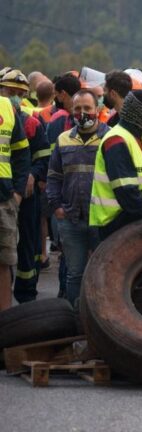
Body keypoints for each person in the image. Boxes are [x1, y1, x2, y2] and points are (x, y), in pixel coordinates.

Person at [47, 89, 108, 305]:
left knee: (105, 274)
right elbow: (53, 176)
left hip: (102, 219)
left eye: (87, 108)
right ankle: (76, 321)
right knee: (75, 275)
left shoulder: (110, 138)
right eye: (78, 109)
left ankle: (103, 319)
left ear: (98, 110)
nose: (83, 113)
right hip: (71, 218)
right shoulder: (63, 140)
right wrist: (56, 207)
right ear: (72, 111)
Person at [1, 70, 49, 303]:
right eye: (11, 93)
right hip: (6, 193)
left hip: (27, 197)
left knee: (27, 245)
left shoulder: (32, 123)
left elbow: (43, 158)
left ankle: (26, 295)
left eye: (21, 94)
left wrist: (33, 174)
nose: (16, 99)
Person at [89, 90, 142, 239]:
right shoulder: (116, 140)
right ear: (140, 113)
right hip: (116, 226)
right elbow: (125, 190)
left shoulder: (134, 139)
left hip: (132, 224)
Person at [0, 93, 30, 311]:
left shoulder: (6, 106)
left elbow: (21, 152)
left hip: (3, 199)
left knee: (4, 262)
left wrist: (17, 193)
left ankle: (4, 326)